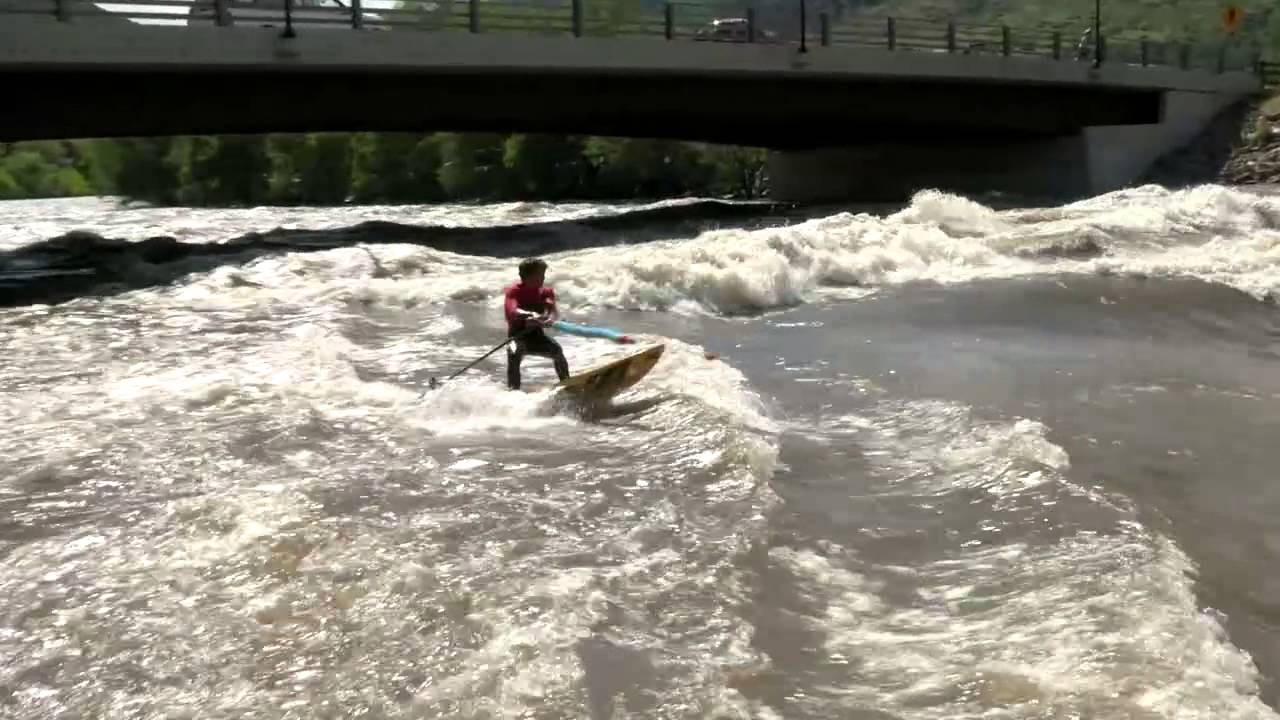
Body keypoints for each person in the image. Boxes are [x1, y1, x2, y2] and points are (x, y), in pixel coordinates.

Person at [504, 257, 570, 390]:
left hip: (536, 337)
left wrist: (549, 317)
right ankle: (513, 391)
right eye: (539, 275)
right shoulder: (514, 292)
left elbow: (551, 310)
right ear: (526, 277)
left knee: (557, 351)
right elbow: (512, 310)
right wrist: (528, 315)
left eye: (543, 275)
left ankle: (567, 384)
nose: (542, 278)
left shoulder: (546, 292)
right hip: (517, 336)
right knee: (514, 352)